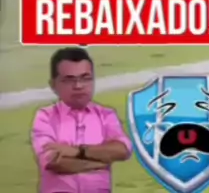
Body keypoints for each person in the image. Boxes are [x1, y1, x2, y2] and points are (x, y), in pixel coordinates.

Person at [31, 47, 133, 193]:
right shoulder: (45, 117)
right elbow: (57, 163)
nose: (78, 86)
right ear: (53, 85)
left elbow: (122, 150)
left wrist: (77, 151)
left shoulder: (106, 115)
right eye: (69, 80)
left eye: (85, 78)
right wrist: (100, 161)